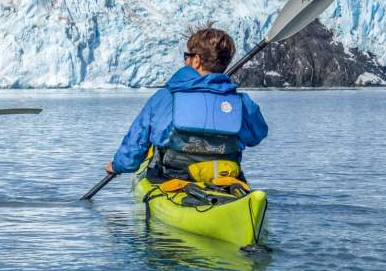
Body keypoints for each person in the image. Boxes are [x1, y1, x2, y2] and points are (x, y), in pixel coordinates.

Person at [107, 27, 268, 182]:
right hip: (224, 177)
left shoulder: (165, 97)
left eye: (187, 56)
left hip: (172, 177)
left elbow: (136, 142)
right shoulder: (241, 102)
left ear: (196, 60)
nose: (185, 60)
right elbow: (256, 137)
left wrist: (117, 166)